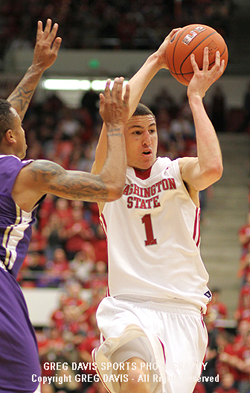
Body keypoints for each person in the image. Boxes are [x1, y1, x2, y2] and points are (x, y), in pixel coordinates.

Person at [91, 28, 224, 393]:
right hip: (128, 306)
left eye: (151, 130)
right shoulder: (107, 182)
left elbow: (212, 168)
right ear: (123, 138)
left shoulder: (178, 171)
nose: (147, 138)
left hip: (182, 310)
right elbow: (116, 114)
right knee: (135, 380)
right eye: (136, 133)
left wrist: (195, 98)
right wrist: (157, 60)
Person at [0, 19, 130, 393]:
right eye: (20, 130)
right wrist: (116, 126)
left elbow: (7, 115)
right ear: (12, 136)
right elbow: (110, 187)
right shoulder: (31, 174)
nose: (25, 132)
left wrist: (37, 67)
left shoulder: (8, 143)